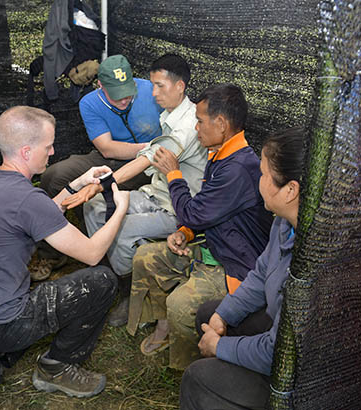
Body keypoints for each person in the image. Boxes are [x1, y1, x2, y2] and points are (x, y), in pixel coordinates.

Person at [0, 106, 130, 398]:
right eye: (47, 146)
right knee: (103, 280)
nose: (52, 152)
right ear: (25, 151)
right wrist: (120, 209)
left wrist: (77, 183)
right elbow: (92, 253)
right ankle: (56, 367)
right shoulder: (26, 199)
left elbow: (37, 212)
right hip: (5, 323)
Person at [128, 84, 274, 370]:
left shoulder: (237, 168)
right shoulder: (221, 155)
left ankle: (196, 368)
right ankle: (164, 328)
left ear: (220, 124)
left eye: (199, 120)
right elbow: (207, 213)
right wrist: (186, 233)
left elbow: (194, 213)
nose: (196, 128)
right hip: (214, 246)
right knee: (145, 258)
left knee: (182, 305)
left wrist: (173, 174)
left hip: (234, 264)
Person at [61, 53, 208, 327]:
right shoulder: (169, 115)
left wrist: (102, 184)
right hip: (156, 193)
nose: (153, 93)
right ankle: (114, 276)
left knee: (121, 227)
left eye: (160, 86)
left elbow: (144, 160)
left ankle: (131, 292)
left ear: (180, 86)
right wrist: (98, 190)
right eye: (151, 85)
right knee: (94, 207)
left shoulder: (188, 125)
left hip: (178, 208)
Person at [180, 127, 307, 410]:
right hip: (280, 336)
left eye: (263, 175)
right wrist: (224, 314)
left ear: (290, 190)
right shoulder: (283, 223)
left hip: (300, 378)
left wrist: (219, 347)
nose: (258, 182)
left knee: (197, 377)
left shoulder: (311, 265)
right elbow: (261, 274)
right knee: (209, 313)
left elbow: (279, 352)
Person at [39, 54, 163, 197]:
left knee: (105, 194)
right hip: (113, 160)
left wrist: (155, 152)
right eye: (116, 95)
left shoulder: (151, 90)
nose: (123, 101)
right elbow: (107, 149)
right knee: (54, 175)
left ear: (133, 83)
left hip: (151, 162)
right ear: (100, 85)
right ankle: (59, 215)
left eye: (127, 94)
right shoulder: (89, 103)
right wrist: (151, 148)